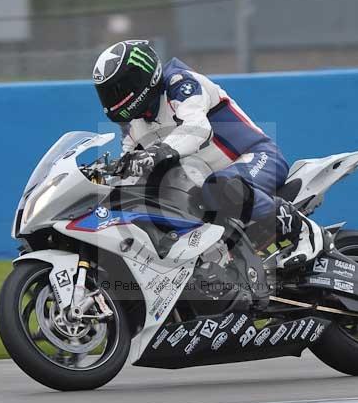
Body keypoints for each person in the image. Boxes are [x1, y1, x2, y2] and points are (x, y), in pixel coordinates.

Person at [92, 39, 321, 268]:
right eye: (108, 93)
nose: (114, 97)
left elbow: (197, 127)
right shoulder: (134, 125)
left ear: (142, 76)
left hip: (256, 156)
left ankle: (301, 230)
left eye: (120, 88)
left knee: (221, 185)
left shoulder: (180, 83)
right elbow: (129, 164)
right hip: (206, 186)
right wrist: (103, 177)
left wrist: (157, 152)